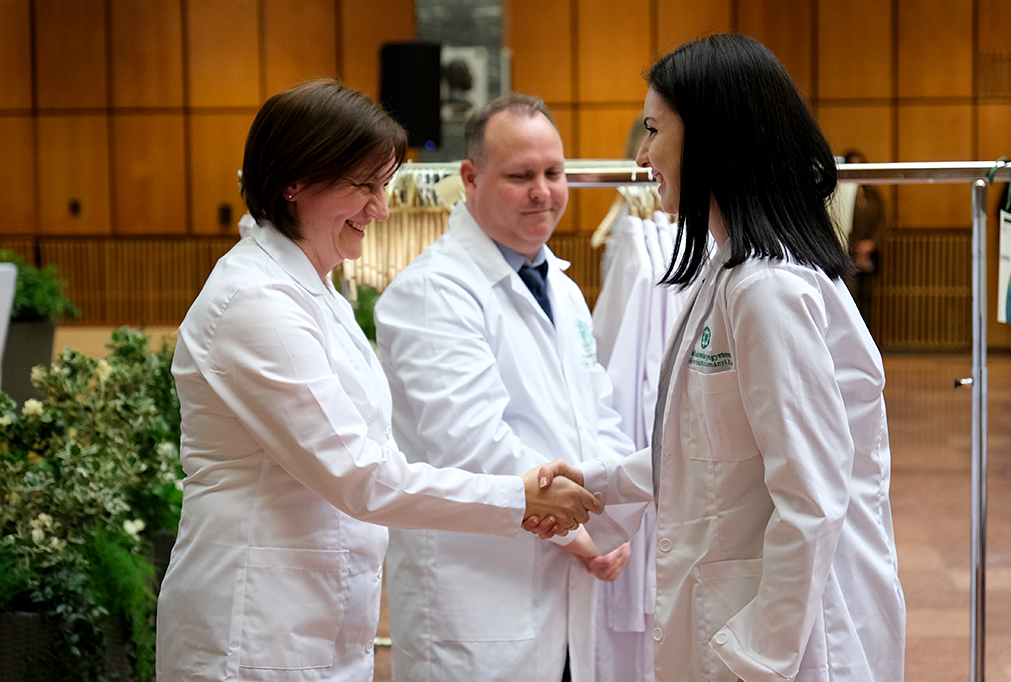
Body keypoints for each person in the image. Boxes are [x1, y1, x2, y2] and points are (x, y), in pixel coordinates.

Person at [154, 80, 604, 682]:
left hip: (320, 615)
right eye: (364, 186)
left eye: (382, 186)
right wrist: (521, 498)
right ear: (294, 182)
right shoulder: (256, 301)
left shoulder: (317, 289)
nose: (382, 209)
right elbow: (359, 473)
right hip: (256, 621)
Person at [537, 34, 906, 682]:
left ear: (712, 137)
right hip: (737, 618)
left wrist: (758, 656)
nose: (643, 156)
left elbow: (813, 498)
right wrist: (598, 483)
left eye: (654, 131)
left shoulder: (768, 291)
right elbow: (707, 447)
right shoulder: (729, 273)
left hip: (785, 645)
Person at [373, 93, 639, 682]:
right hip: (478, 603)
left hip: (566, 594)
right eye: (521, 176)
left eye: (554, 173)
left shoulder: (562, 287)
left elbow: (599, 415)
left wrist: (615, 517)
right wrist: (587, 532)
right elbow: (473, 446)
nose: (543, 192)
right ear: (471, 178)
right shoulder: (431, 292)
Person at [841, 149, 888, 330]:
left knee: (867, 299)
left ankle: (867, 337)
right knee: (849, 298)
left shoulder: (872, 195)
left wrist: (870, 244)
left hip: (869, 255)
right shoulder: (840, 195)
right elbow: (839, 223)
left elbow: (881, 223)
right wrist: (855, 248)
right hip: (846, 255)